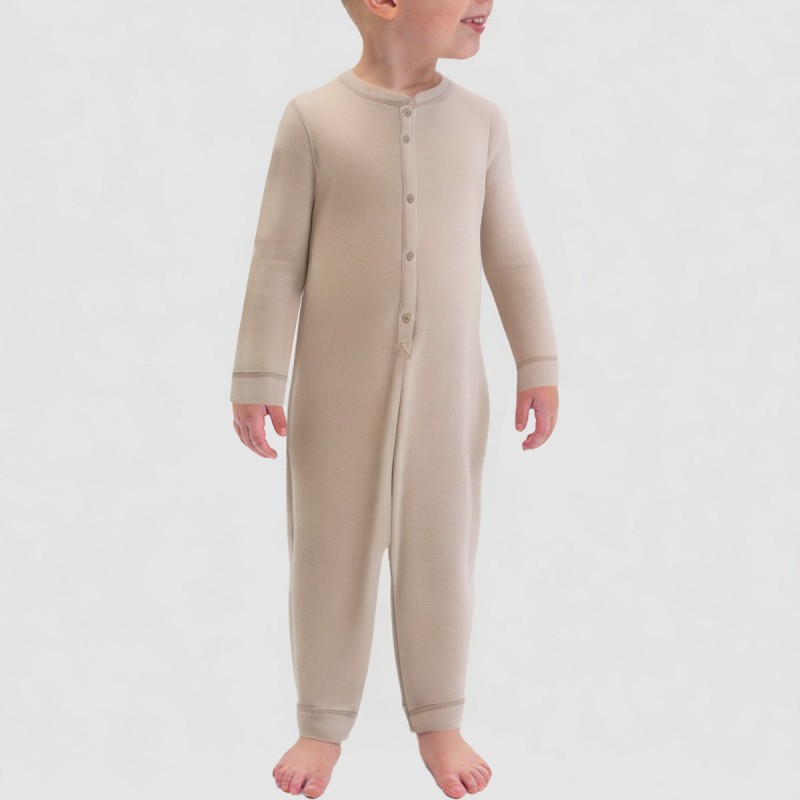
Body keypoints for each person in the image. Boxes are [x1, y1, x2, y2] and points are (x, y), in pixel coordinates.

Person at [229, 0, 559, 796]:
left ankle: (440, 718)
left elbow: (509, 253)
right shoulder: (313, 121)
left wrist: (537, 360)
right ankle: (321, 723)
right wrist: (258, 375)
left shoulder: (481, 124)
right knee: (328, 554)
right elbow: (277, 256)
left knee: (441, 555)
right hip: (334, 391)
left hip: (449, 393)